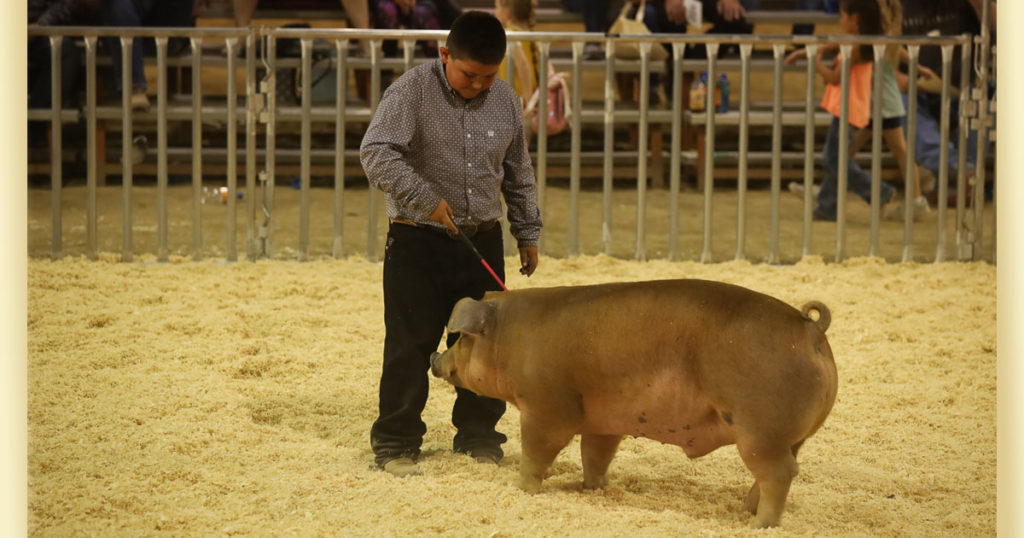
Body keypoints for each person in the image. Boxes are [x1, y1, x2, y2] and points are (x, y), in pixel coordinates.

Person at [360, 10, 542, 477]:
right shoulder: (411, 91)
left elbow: (518, 173)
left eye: (488, 76)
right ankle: (397, 443)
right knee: (410, 344)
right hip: (417, 241)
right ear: (444, 56)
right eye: (468, 74)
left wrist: (527, 232)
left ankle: (479, 436)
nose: (479, 84)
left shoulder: (506, 101)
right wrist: (424, 199)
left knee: (484, 344)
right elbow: (376, 151)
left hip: (482, 239)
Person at [785, 0, 891, 222]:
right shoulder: (861, 42)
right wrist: (808, 51)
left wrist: (816, 62)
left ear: (855, 20)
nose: (840, 21)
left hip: (849, 108)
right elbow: (833, 44)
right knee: (837, 156)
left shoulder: (855, 48)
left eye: (843, 17)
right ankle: (828, 206)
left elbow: (834, 78)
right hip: (849, 107)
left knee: (833, 158)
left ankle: (877, 191)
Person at [898, 0, 996, 205]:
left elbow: (1000, 34)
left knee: (982, 104)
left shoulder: (969, 5)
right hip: (916, 91)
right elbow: (881, 48)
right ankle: (958, 172)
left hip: (964, 89)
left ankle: (957, 182)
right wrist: (895, 75)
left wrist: (981, 7)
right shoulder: (898, 5)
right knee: (900, 105)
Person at [495, 0, 538, 107]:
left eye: (497, 8)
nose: (495, 12)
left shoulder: (509, 35)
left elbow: (523, 65)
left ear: (507, 14)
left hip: (519, 102)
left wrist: (528, 101)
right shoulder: (530, 36)